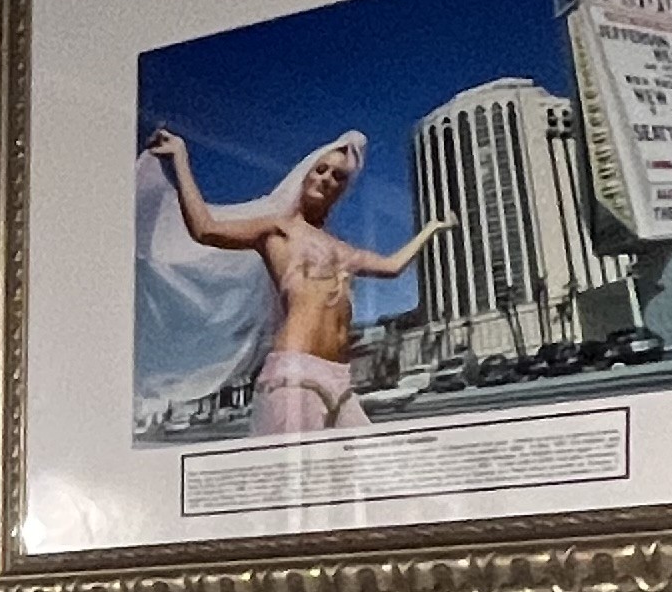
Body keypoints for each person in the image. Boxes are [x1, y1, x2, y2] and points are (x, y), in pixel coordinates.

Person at [142, 126, 446, 435]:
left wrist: (431, 229)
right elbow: (205, 229)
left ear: (342, 189)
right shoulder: (278, 230)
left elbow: (392, 266)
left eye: (338, 176)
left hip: (340, 380)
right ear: (305, 175)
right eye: (321, 170)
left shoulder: (342, 249)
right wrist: (180, 156)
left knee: (364, 458)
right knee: (288, 464)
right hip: (295, 373)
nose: (327, 178)